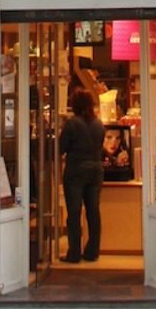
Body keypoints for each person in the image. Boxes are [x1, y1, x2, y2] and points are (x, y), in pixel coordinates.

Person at [58, 89, 105, 263]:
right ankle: (92, 251)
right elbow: (100, 146)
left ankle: (74, 253)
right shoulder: (99, 124)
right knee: (93, 211)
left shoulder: (72, 124)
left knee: (74, 212)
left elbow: (61, 148)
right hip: (96, 171)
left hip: (76, 171)